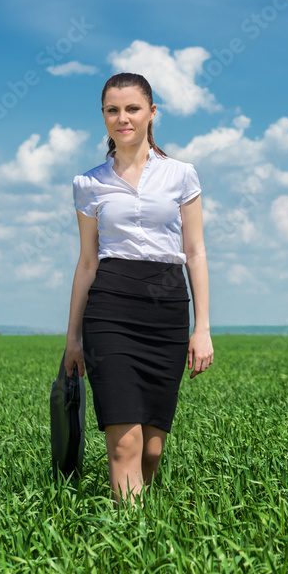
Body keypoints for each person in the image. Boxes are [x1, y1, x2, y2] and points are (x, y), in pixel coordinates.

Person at [63, 72, 213, 507]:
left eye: (132, 108)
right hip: (110, 306)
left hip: (167, 306)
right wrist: (73, 338)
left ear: (152, 113)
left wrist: (201, 328)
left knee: (152, 449)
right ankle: (130, 545)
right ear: (104, 117)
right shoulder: (88, 184)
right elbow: (88, 261)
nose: (122, 118)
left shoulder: (182, 175)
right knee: (124, 445)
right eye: (112, 110)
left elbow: (196, 252)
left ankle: (141, 527)